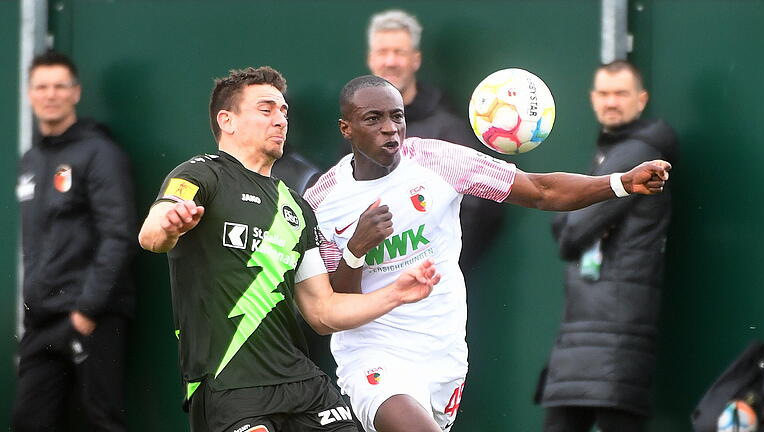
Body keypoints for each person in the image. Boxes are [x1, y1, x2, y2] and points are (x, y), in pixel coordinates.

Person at [303, 74, 671, 432]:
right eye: (373, 118)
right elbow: (335, 306)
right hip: (373, 354)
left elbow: (541, 190)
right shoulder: (323, 201)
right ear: (346, 128)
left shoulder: (437, 160)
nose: (390, 128)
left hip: (441, 351)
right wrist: (356, 249)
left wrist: (620, 182)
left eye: (397, 116)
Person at [137, 66, 441, 432]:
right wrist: (170, 224)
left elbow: (322, 311)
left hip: (302, 384)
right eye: (266, 110)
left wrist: (396, 294)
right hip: (229, 388)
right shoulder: (201, 174)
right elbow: (151, 235)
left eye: (283, 111)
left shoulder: (296, 206)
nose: (280, 120)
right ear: (227, 121)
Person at [536, 60, 679, 432]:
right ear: (592, 98)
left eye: (621, 93)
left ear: (641, 99)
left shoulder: (634, 153)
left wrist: (571, 221)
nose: (611, 102)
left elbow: (570, 232)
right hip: (589, 328)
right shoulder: (612, 150)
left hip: (617, 329)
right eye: (603, 93)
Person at [12, 50, 137, 431]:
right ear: (30, 94)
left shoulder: (100, 153)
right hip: (43, 321)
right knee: (29, 421)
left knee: (100, 420)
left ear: (75, 93)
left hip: (92, 316)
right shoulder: (31, 161)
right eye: (41, 87)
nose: (50, 94)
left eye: (59, 86)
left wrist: (86, 312)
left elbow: (119, 235)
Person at [363, 9, 505, 271]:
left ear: (416, 60)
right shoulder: (357, 130)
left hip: (431, 280)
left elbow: (478, 204)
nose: (391, 61)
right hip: (373, 283)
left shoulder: (447, 127)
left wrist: (440, 265)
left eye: (400, 52)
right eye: (383, 52)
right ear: (371, 59)